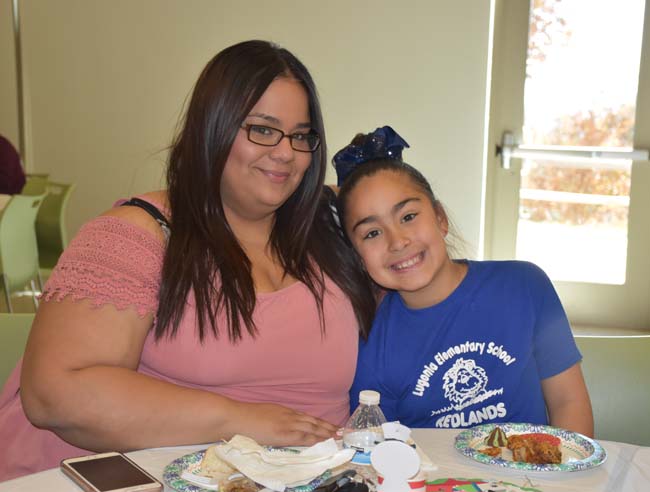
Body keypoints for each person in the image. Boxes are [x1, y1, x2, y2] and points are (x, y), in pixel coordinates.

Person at [0, 40, 377, 481]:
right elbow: (55, 394)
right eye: (262, 129)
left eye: (300, 135)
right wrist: (239, 420)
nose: (285, 152)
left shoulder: (329, 232)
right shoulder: (139, 234)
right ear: (211, 129)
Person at [336, 126, 593, 436]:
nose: (397, 241)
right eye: (372, 233)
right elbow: (382, 452)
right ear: (356, 255)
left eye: (408, 217)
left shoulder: (525, 286)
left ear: (440, 218)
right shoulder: (370, 343)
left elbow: (568, 402)